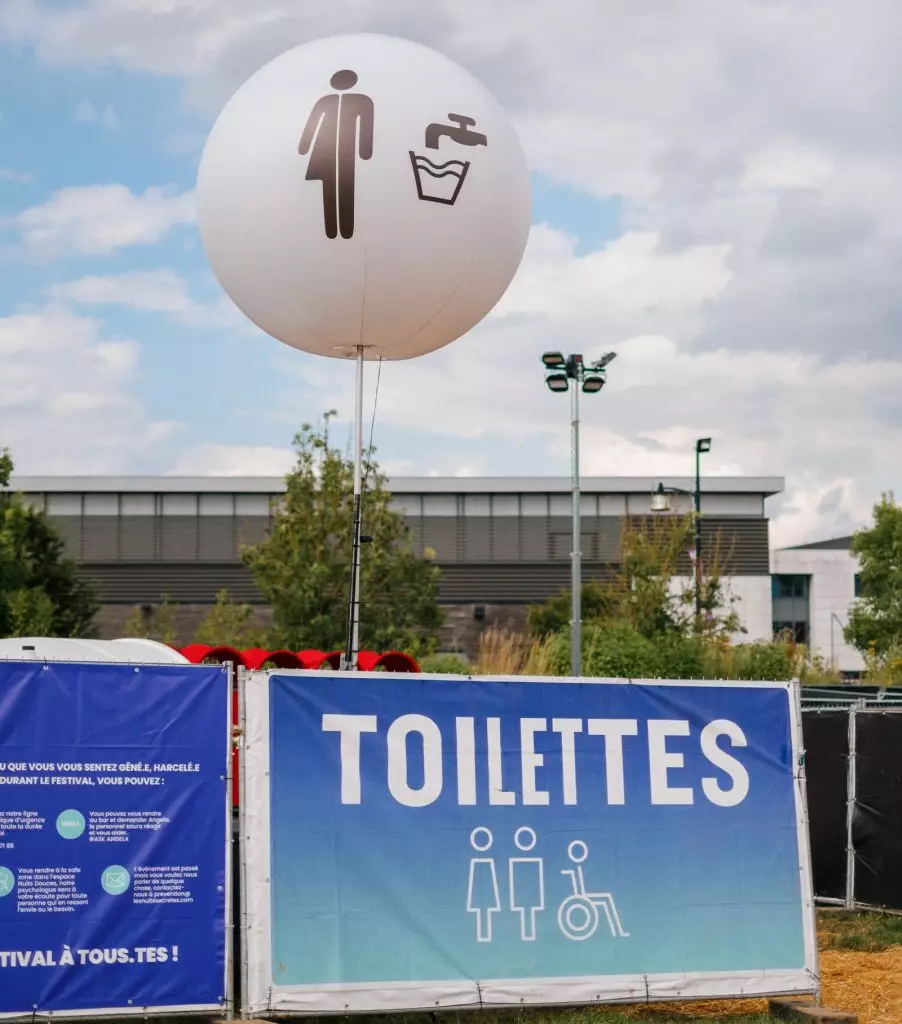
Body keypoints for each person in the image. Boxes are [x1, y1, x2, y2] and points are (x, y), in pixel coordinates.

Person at [299, 70, 374, 240]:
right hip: (326, 154)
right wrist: (305, 146)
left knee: (344, 189)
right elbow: (313, 126)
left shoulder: (360, 102)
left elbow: (365, 127)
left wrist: (364, 150)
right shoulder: (330, 101)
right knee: (330, 189)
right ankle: (335, 228)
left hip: (339, 154)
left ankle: (345, 228)